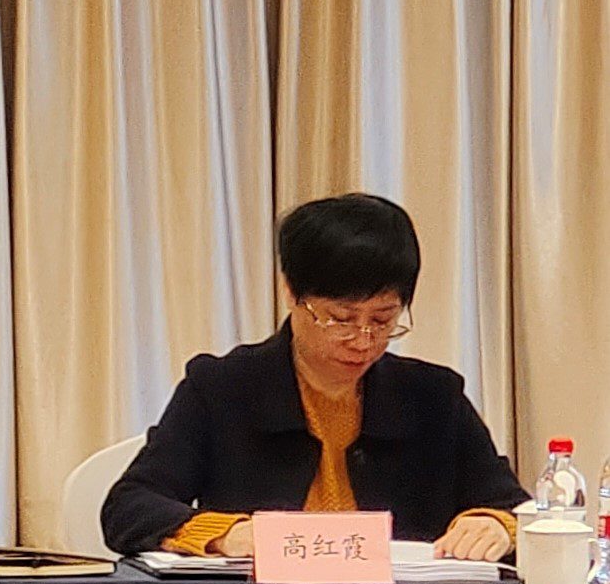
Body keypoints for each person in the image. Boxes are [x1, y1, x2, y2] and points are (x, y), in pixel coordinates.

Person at [102, 192, 524, 560]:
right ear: (291, 292)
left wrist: (496, 524)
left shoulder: (433, 397)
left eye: (383, 320)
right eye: (340, 319)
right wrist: (226, 534)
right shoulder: (223, 388)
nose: (362, 340)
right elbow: (130, 505)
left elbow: (514, 507)